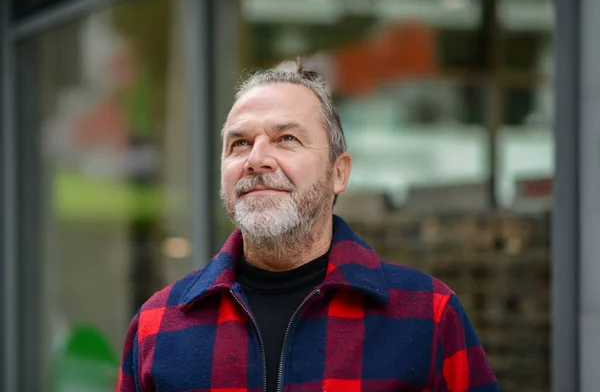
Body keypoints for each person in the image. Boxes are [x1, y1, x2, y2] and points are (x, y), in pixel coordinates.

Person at [116, 62, 499, 392]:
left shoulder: (427, 316)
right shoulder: (158, 324)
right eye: (239, 143)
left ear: (338, 172)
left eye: (286, 138)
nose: (257, 159)